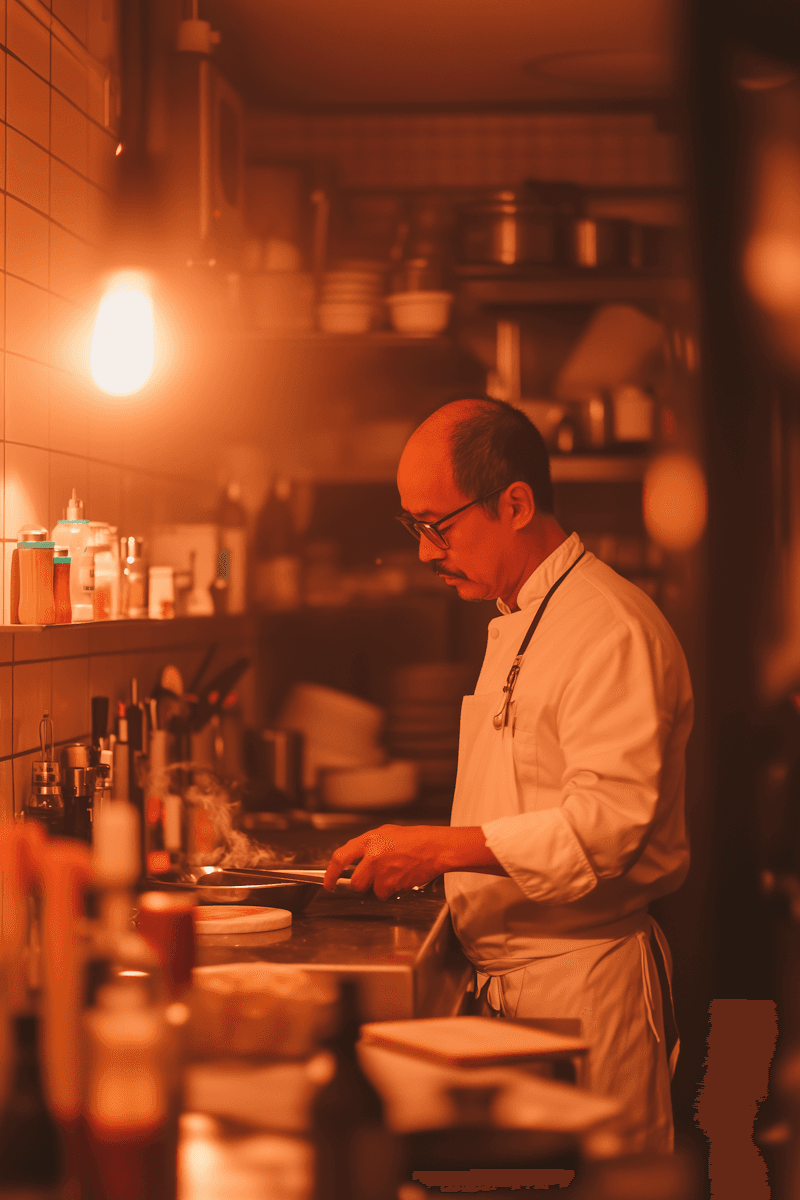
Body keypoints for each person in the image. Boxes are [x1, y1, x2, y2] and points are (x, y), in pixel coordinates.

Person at [323, 397, 693, 1154]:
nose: (424, 553)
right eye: (413, 527)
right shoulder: (524, 612)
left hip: (584, 993)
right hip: (513, 990)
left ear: (516, 504)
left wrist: (436, 849)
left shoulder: (609, 629)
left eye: (438, 526)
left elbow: (605, 828)